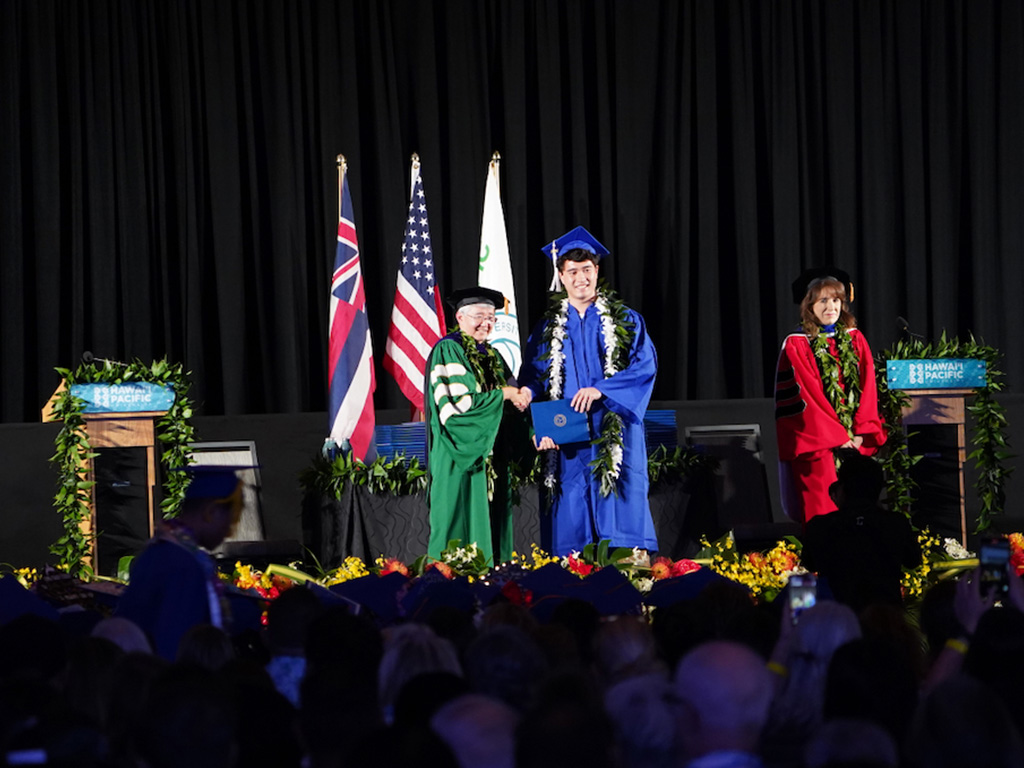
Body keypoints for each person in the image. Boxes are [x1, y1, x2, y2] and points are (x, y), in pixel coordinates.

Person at [519, 226, 658, 555]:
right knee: (571, 506)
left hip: (615, 429)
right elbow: (535, 377)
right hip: (567, 437)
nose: (581, 278)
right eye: (572, 271)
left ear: (597, 272)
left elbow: (644, 367)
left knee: (618, 497)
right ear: (561, 276)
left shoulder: (626, 321)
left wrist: (601, 389)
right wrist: (539, 426)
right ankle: (574, 582)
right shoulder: (547, 328)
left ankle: (627, 577)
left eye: (587, 270)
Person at [424, 285, 529, 564]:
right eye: (480, 316)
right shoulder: (449, 349)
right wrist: (503, 395)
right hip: (459, 453)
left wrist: (521, 400)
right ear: (460, 317)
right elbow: (457, 408)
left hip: (489, 456)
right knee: (457, 527)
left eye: (492, 318)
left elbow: (512, 390)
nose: (487, 323)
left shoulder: (492, 355)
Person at [774, 267, 886, 524]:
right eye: (823, 300)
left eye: (836, 300)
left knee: (861, 508)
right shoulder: (797, 344)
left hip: (855, 442)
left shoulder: (855, 339)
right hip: (818, 444)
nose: (830, 307)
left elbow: (868, 386)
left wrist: (861, 431)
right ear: (809, 305)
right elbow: (808, 396)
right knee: (822, 511)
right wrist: (836, 437)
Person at [115, 466, 244, 660]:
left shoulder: (161, 550)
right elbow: (175, 646)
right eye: (232, 517)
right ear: (212, 511)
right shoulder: (183, 566)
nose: (230, 529)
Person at [801, 451, 922, 612]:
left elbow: (809, 563)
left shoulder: (820, 526)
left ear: (842, 488)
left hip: (837, 622)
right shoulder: (895, 523)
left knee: (799, 590)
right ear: (878, 489)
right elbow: (913, 560)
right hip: (885, 621)